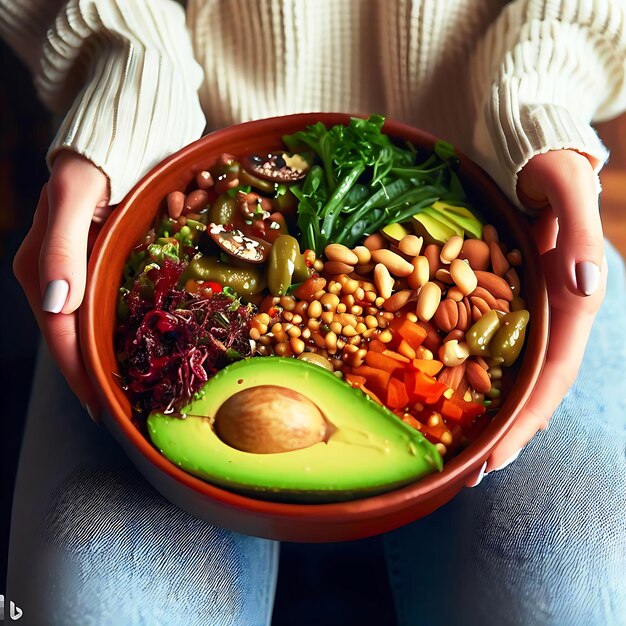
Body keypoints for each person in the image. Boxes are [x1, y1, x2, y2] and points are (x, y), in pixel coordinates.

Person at [1, 0, 625, 624]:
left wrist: (540, 105)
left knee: (576, 581)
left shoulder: (438, 287)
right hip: (174, 148)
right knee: (98, 603)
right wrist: (127, 83)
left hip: (506, 191)